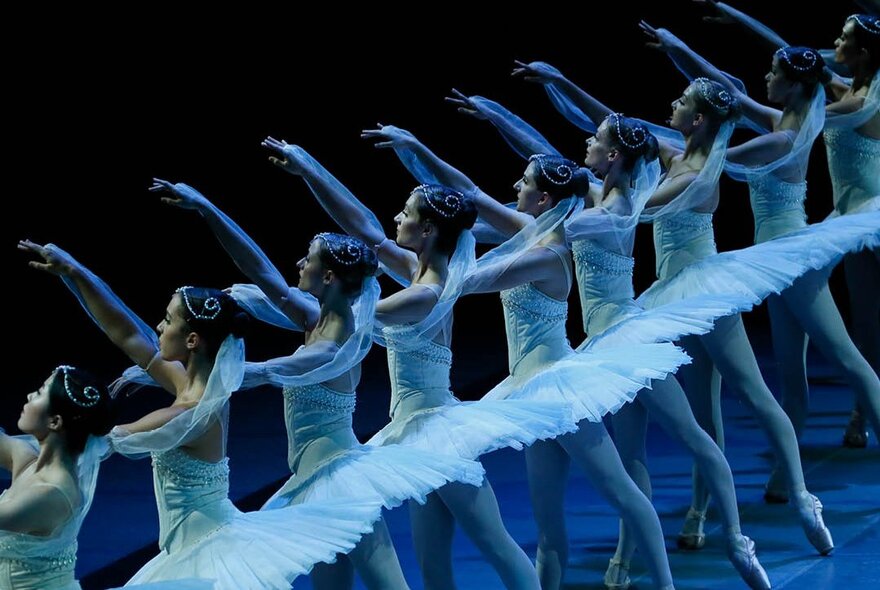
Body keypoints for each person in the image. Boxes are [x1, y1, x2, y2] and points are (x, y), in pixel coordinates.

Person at [153, 178, 485, 590]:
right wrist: (208, 209)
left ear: (327, 277)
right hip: (314, 483)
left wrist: (171, 366)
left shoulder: (332, 348)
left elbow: (258, 373)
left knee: (389, 585)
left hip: (341, 481)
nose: (298, 266)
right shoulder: (316, 321)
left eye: (307, 260)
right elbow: (259, 269)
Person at [19, 240, 387, 590]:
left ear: (192, 340)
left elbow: (102, 440)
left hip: (210, 552)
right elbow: (127, 332)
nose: (159, 328)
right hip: (191, 546)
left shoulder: (192, 412)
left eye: (167, 320)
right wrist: (76, 273)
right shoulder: (191, 388)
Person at [0, 366, 112, 590]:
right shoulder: (29, 462)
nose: (30, 396)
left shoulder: (52, 493)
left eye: (40, 393)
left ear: (55, 422)